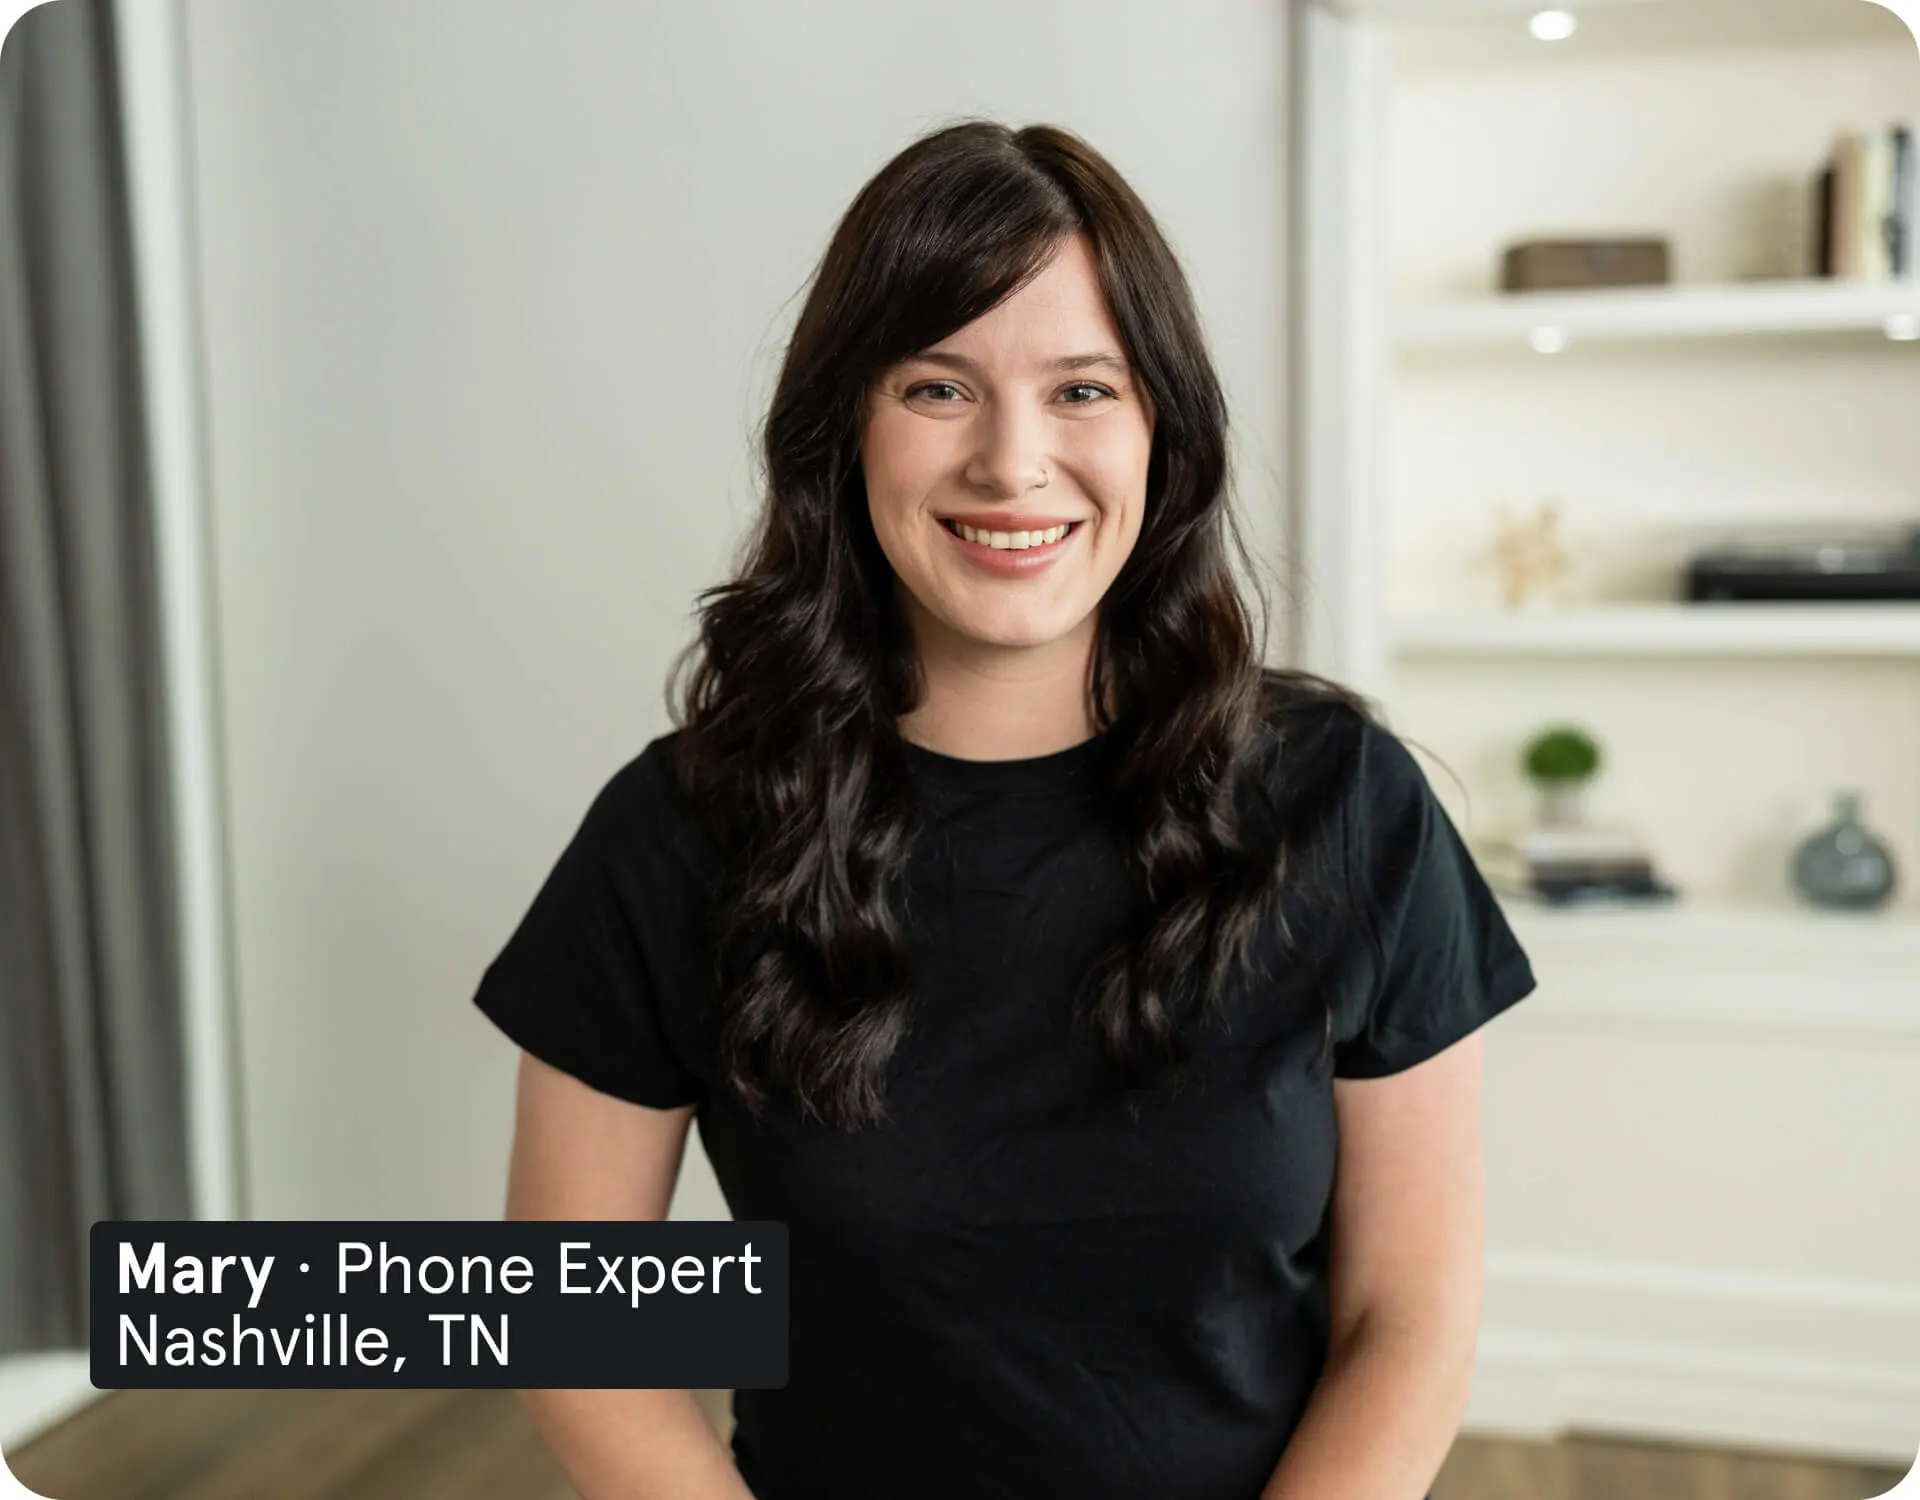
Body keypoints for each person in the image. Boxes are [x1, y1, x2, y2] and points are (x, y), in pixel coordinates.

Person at [474, 118, 1537, 1500]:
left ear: (1163, 427)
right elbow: (579, 1319)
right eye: (937, 388)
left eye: (1083, 389)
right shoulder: (679, 829)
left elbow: (1410, 1319)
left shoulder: (1342, 801)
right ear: (844, 427)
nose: (1012, 462)